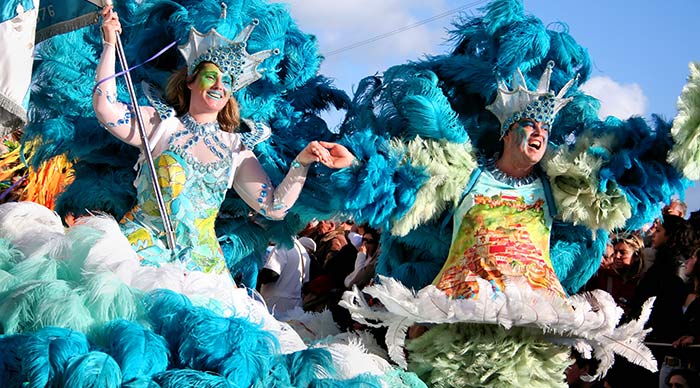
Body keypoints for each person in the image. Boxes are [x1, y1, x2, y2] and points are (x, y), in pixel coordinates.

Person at [96, 7, 354, 273]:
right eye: (211, 76)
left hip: (201, 270)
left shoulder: (235, 148)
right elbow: (106, 108)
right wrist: (109, 44)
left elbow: (274, 207)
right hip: (140, 255)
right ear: (190, 81)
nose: (220, 85)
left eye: (227, 81)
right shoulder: (160, 125)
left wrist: (302, 162)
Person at [259, 237, 315, 315]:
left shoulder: (283, 246)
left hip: (275, 306)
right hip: (294, 306)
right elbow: (305, 284)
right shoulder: (303, 251)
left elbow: (271, 274)